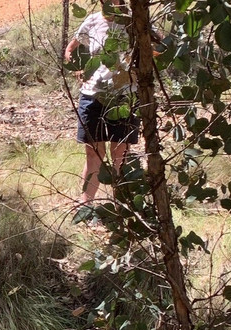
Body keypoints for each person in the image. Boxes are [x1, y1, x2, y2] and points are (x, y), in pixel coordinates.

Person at [64, 0, 137, 208]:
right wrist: (78, 70)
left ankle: (121, 206)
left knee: (120, 153)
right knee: (93, 153)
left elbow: (158, 47)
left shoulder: (134, 22)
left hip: (124, 96)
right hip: (92, 95)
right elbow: (71, 49)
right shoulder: (93, 21)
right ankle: (86, 207)